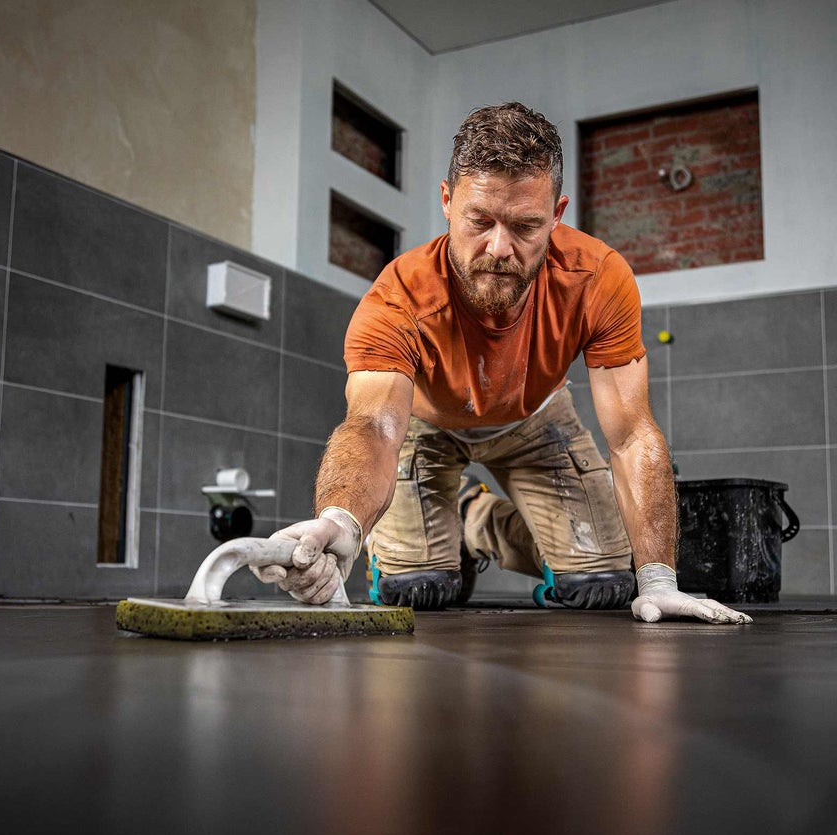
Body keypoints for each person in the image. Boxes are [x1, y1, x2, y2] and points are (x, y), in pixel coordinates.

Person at [252, 102, 751, 625]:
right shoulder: (397, 298)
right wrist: (341, 520)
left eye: (525, 225)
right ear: (448, 201)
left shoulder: (598, 278)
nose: (499, 248)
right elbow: (375, 426)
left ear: (556, 214)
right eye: (480, 221)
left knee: (604, 584)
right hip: (426, 424)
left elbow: (630, 433)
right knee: (418, 589)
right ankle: (446, 529)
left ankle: (476, 518)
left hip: (536, 418)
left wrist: (659, 579)